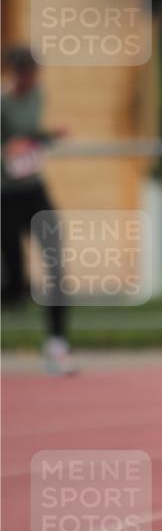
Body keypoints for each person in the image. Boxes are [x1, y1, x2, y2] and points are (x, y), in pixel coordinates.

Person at [1, 47, 75, 376]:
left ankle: (58, 343)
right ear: (14, 73)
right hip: (6, 196)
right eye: (25, 74)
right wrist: (7, 149)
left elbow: (31, 137)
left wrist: (48, 137)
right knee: (15, 286)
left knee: (56, 266)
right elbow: (12, 143)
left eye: (34, 73)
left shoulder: (38, 96)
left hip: (34, 191)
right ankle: (15, 289)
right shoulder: (3, 103)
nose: (30, 80)